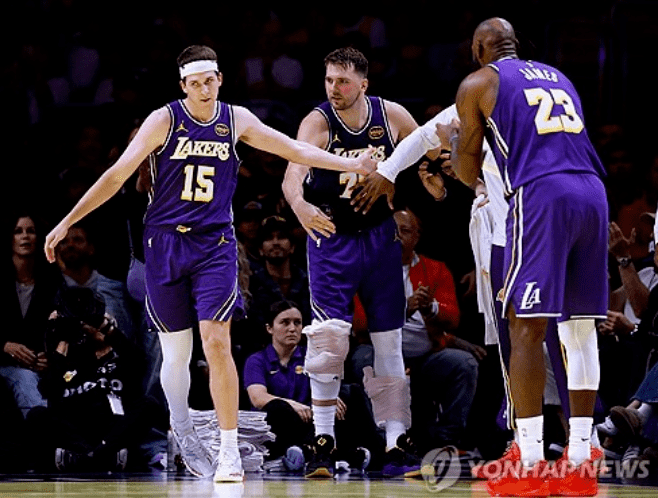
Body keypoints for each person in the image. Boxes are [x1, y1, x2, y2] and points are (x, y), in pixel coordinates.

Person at [43, 44, 376, 482]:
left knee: (217, 341)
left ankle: (229, 451)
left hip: (214, 244)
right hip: (165, 243)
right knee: (175, 354)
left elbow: (292, 148)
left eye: (209, 81)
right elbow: (116, 175)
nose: (203, 89)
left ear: (220, 79)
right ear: (183, 85)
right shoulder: (164, 120)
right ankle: (182, 426)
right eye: (195, 83)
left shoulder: (235, 119)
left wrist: (350, 162)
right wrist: (68, 220)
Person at [435, 18, 609, 497]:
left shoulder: (478, 83)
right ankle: (581, 460)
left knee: (525, 325)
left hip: (542, 194)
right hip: (593, 192)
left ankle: (529, 462)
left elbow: (467, 171)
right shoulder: (559, 76)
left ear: (479, 48)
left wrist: (454, 143)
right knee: (579, 330)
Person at [282, 47, 423, 478]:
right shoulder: (318, 122)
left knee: (389, 343)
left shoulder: (391, 115)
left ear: (363, 83)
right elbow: (291, 177)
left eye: (342, 81)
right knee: (328, 344)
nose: (333, 88)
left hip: (379, 237)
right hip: (332, 237)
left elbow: (426, 149)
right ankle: (323, 440)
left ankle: (396, 441)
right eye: (328, 80)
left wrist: (430, 177)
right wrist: (299, 206)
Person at [351, 209, 481, 455]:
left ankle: (446, 440)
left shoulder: (435, 269)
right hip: (379, 353)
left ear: (417, 236)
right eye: (392, 230)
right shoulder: (365, 269)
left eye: (405, 230)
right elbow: (359, 324)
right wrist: (403, 308)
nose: (397, 236)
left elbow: (453, 319)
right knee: (362, 359)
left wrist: (431, 307)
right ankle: (382, 440)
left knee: (463, 364)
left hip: (424, 358)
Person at [243, 300, 383, 473]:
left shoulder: (312, 355)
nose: (292, 328)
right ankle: (338, 455)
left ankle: (376, 454)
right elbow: (257, 398)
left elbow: (328, 385)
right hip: (279, 424)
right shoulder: (257, 360)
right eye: (285, 322)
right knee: (277, 407)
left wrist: (332, 397)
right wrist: (292, 404)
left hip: (311, 421)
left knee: (349, 392)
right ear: (269, 328)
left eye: (297, 323)